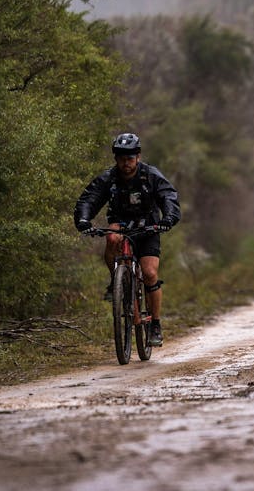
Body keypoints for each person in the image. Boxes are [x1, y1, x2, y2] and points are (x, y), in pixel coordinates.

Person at [74, 133, 180, 347]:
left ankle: (156, 324)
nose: (125, 163)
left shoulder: (151, 176)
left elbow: (169, 196)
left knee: (150, 273)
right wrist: (84, 220)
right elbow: (90, 198)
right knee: (111, 236)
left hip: (149, 227)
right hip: (120, 223)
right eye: (121, 158)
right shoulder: (109, 178)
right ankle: (116, 281)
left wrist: (168, 218)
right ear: (115, 159)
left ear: (138, 157)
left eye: (130, 158)